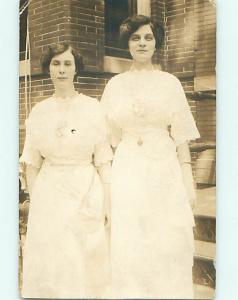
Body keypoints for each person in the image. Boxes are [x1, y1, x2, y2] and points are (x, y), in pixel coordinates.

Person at [101, 15, 200, 298]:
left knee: (165, 237)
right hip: (128, 167)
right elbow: (106, 140)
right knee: (131, 238)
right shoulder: (115, 85)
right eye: (135, 38)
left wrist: (187, 179)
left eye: (148, 37)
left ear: (156, 43)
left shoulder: (170, 83)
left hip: (163, 167)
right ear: (127, 44)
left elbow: (180, 136)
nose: (142, 43)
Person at [19, 42, 113, 298]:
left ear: (76, 69)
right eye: (56, 63)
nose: (61, 69)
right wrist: (37, 201)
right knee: (55, 261)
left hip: (86, 188)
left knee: (85, 258)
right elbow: (31, 163)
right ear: (48, 69)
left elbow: (103, 159)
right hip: (51, 192)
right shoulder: (39, 112)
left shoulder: (93, 108)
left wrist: (107, 200)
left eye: (67, 64)